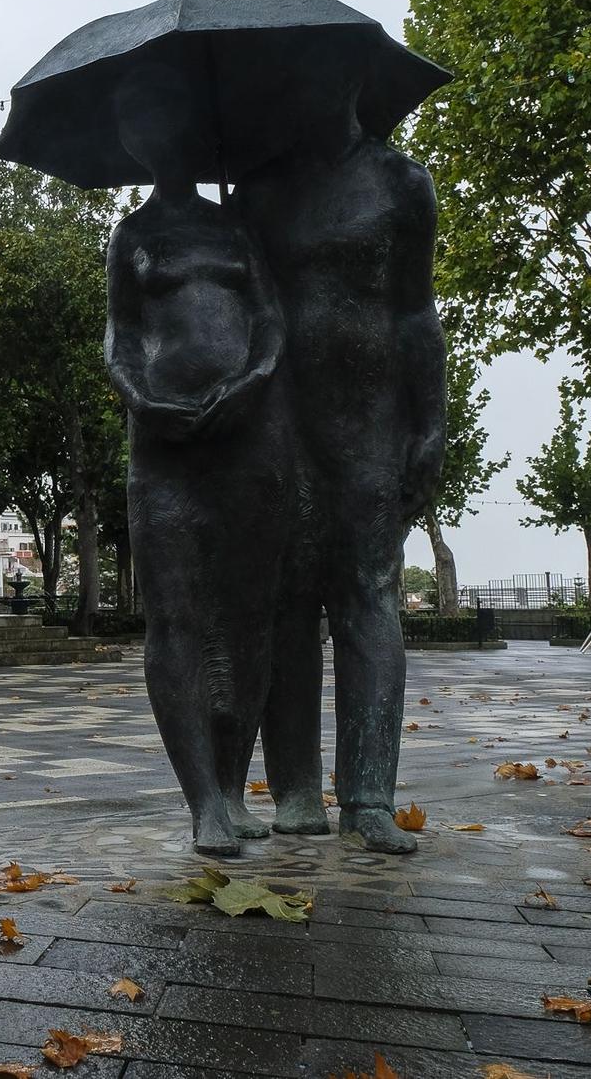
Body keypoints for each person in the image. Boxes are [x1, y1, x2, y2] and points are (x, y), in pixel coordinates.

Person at [239, 67, 445, 854]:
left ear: (354, 84)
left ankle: (367, 797)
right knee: (286, 603)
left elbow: (417, 309)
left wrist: (432, 419)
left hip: (372, 419)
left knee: (368, 595)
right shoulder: (258, 191)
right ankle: (294, 791)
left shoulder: (401, 183)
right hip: (278, 418)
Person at [106, 65, 294, 855]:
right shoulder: (133, 236)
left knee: (250, 621)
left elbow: (272, 321)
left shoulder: (236, 228)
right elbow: (116, 338)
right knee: (177, 618)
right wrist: (141, 398)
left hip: (248, 442)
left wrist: (252, 383)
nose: (161, 142)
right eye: (145, 130)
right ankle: (203, 800)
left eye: (172, 125)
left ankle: (234, 781)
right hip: (166, 448)